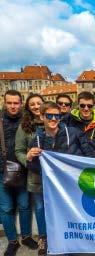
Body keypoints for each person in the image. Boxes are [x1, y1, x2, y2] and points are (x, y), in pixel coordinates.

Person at [0, 90, 38, 256]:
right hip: (2, 170)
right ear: (4, 102)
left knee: (24, 206)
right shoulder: (0, 120)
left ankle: (26, 236)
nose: (13, 106)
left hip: (23, 169)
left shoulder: (27, 120)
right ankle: (12, 241)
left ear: (21, 103)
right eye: (10, 103)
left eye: (16, 103)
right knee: (6, 208)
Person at [15, 93, 46, 256]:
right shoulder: (24, 126)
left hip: (56, 176)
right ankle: (43, 238)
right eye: (32, 104)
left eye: (38, 103)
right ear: (28, 107)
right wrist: (26, 158)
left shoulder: (53, 120)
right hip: (35, 175)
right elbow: (18, 150)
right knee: (40, 208)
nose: (35, 106)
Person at [62, 91, 95, 158]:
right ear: (78, 105)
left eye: (89, 106)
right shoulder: (69, 118)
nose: (86, 108)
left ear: (93, 106)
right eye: (82, 105)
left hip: (94, 161)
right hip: (75, 161)